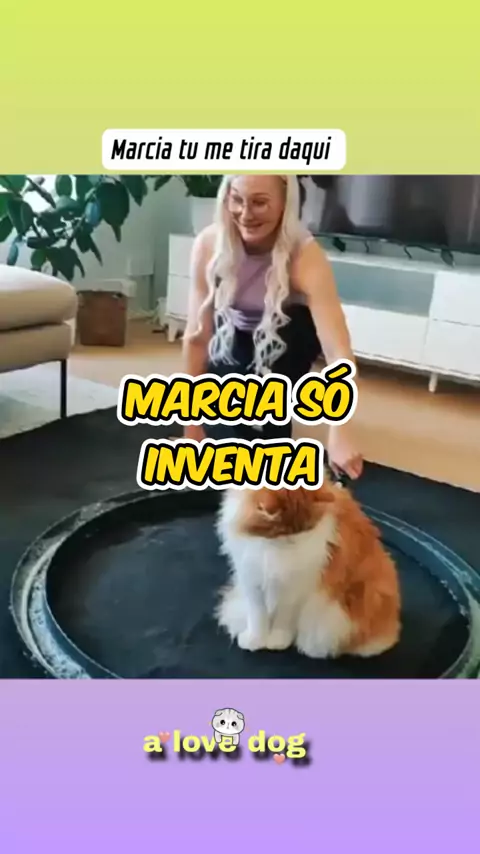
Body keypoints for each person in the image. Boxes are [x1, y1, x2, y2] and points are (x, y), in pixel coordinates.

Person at [181, 174, 363, 480]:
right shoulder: (209, 245)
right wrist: (191, 430)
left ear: (284, 204)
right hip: (236, 330)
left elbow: (338, 351)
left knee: (268, 429)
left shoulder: (305, 256)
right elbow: (196, 337)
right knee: (228, 427)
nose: (245, 214)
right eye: (237, 199)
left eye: (260, 203)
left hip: (289, 333)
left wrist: (340, 431)